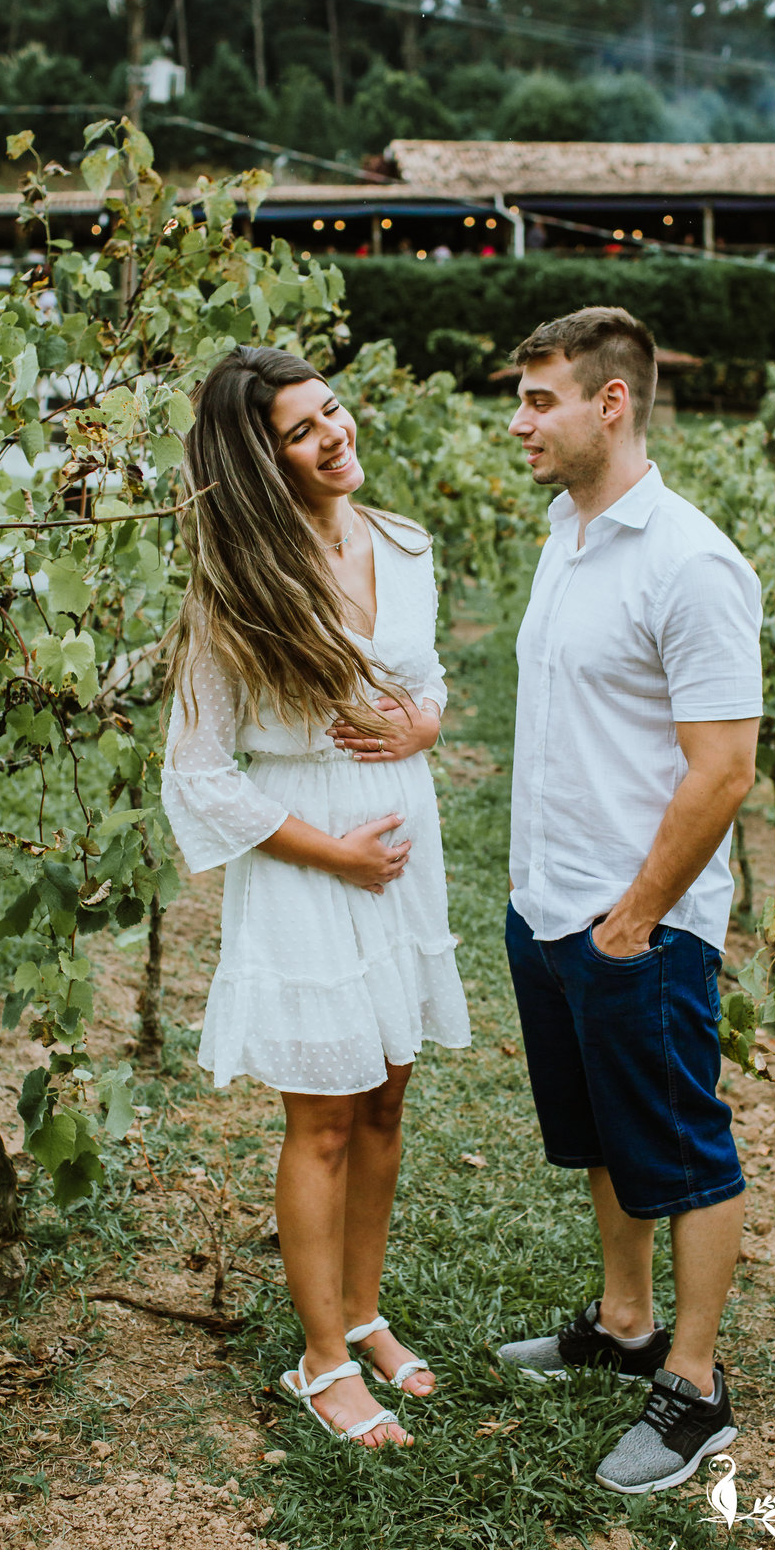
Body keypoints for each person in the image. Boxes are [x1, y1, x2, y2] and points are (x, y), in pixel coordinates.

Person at [160, 345, 470, 1450]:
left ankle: (365, 1311)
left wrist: (426, 724)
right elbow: (196, 769)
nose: (334, 433)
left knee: (388, 1097)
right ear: (260, 459)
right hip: (308, 861)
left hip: (402, 847)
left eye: (330, 410)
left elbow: (425, 679)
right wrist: (330, 853)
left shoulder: (404, 543)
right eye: (301, 429)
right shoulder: (237, 586)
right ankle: (322, 1360)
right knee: (326, 1116)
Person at [496, 306, 762, 1495]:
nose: (518, 422)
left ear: (612, 402)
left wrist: (634, 918)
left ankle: (695, 1388)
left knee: (683, 1149)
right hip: (550, 905)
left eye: (539, 399)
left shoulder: (692, 561)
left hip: (635, 923)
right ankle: (623, 1322)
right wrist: (554, 907)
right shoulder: (567, 535)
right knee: (606, 1134)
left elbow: (724, 769)